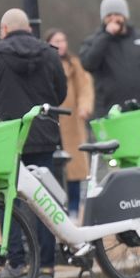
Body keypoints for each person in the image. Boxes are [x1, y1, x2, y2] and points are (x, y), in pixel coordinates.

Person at [0, 9, 67, 278]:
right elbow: (61, 93)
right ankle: (46, 266)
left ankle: (17, 264)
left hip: (6, 140)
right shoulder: (49, 54)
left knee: (6, 199)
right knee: (44, 200)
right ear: (30, 30)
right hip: (43, 135)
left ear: (4, 29)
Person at [79, 0, 140, 117]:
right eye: (109, 15)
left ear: (125, 16)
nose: (113, 19)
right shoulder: (94, 41)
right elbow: (88, 63)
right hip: (109, 111)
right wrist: (107, 36)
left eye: (117, 14)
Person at [45, 29, 94, 220]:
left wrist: (84, 108)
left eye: (63, 40)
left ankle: (74, 212)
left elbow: (85, 89)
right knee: (54, 171)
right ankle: (58, 212)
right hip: (52, 123)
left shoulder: (75, 65)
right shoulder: (46, 64)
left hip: (72, 123)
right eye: (57, 40)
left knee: (75, 170)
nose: (61, 44)